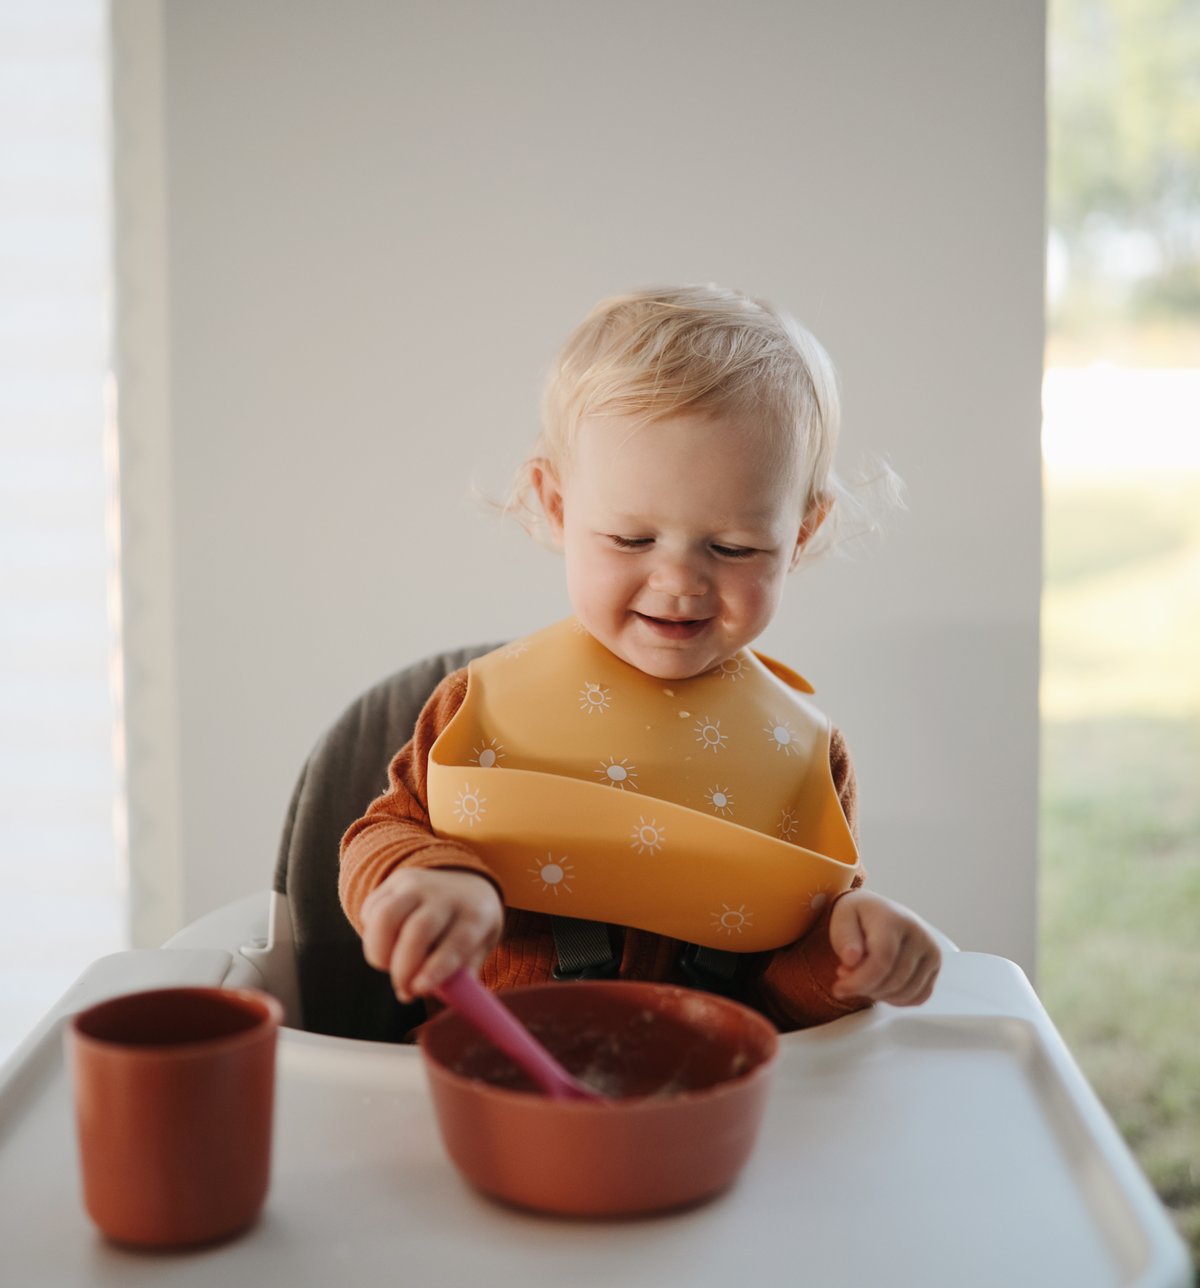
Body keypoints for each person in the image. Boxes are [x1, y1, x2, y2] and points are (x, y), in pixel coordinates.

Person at [339, 284, 941, 1031]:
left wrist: (849, 959)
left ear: (802, 535)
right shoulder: (481, 709)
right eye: (632, 540)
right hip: (497, 1078)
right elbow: (378, 834)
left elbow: (785, 999)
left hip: (704, 1094)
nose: (680, 581)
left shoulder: (803, 760)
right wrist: (427, 880)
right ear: (557, 507)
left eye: (733, 548)